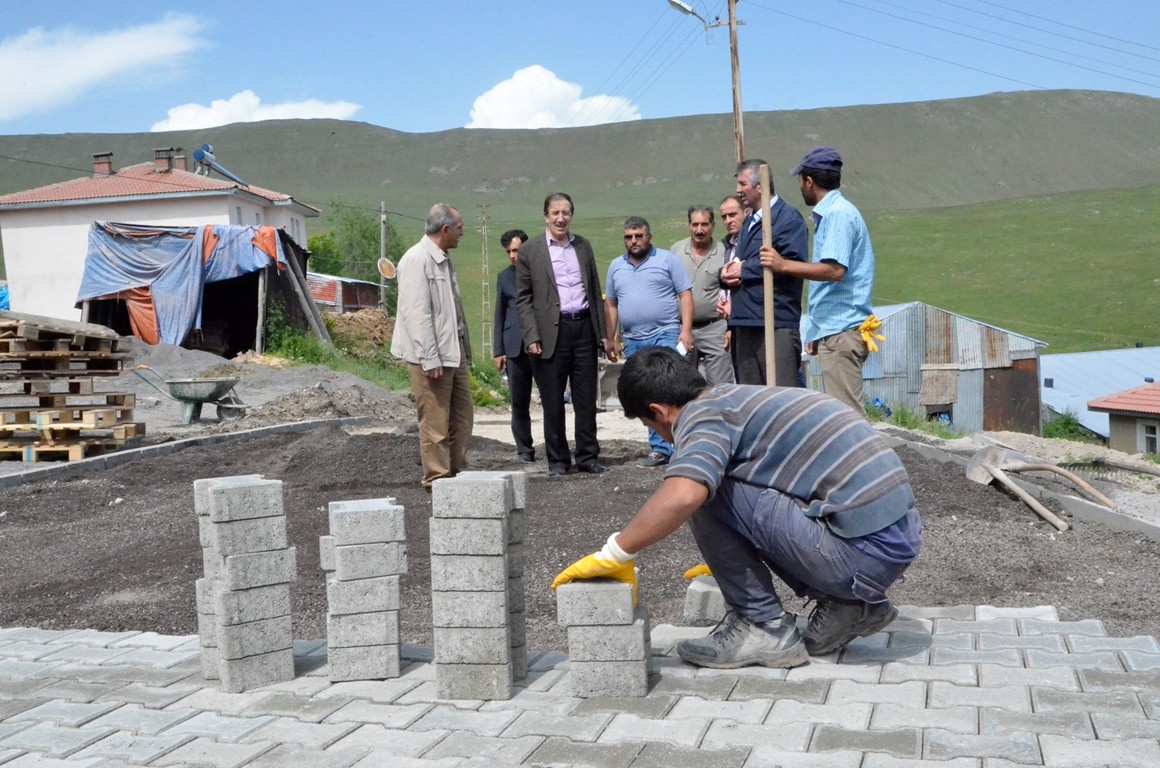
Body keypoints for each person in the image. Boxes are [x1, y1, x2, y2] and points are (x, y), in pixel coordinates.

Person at [551, 347, 921, 669]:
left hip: (861, 552)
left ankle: (763, 626)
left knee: (705, 486)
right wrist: (736, 551)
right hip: (891, 542)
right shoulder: (738, 400)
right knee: (718, 478)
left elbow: (684, 495)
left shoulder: (702, 415)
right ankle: (853, 606)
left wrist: (616, 553)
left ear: (659, 411)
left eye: (652, 426)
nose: (661, 435)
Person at [763, 146, 876, 417]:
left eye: (800, 180)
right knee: (840, 411)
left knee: (847, 415)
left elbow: (834, 271)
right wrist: (816, 331)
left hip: (842, 328)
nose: (800, 186)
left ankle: (857, 459)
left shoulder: (837, 215)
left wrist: (782, 265)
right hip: (834, 328)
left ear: (809, 181)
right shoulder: (833, 214)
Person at [516, 193, 614, 477]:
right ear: (545, 216)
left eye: (566, 212)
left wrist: (604, 334)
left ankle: (587, 456)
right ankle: (558, 461)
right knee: (553, 401)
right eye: (555, 213)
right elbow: (523, 299)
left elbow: (595, 292)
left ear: (572, 215)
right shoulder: (530, 250)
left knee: (586, 399)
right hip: (550, 333)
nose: (561, 218)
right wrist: (531, 335)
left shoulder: (582, 246)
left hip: (582, 328)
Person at [390, 204, 473, 491]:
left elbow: (453, 313)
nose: (463, 233)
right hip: (432, 357)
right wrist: (429, 357)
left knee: (462, 418)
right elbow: (417, 314)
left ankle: (457, 474)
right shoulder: (416, 260)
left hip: (453, 353)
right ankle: (437, 482)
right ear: (446, 229)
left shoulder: (443, 259)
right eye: (460, 227)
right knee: (436, 423)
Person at [606, 216, 694, 468]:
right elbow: (611, 304)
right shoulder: (615, 266)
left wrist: (685, 330)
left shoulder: (667, 260)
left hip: (665, 334)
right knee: (645, 395)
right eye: (628, 236)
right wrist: (610, 338)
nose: (633, 241)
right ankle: (659, 450)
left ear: (649, 237)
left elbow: (684, 294)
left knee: (671, 391)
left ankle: (682, 444)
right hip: (633, 340)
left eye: (639, 235)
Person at [719, 159, 808, 387]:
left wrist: (745, 269)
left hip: (774, 321)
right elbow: (743, 261)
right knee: (751, 398)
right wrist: (728, 275)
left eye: (742, 184)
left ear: (760, 186)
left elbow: (791, 264)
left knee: (781, 395)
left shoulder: (787, 219)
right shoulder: (749, 221)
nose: (738, 190)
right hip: (745, 321)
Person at [671, 205, 734, 387]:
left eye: (704, 224)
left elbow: (733, 291)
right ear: (689, 225)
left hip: (715, 328)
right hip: (683, 329)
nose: (699, 230)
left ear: (713, 226)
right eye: (695, 224)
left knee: (721, 386)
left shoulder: (724, 252)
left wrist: (731, 327)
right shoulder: (676, 250)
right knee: (682, 385)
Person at [492, 228, 535, 462]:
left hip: (539, 346)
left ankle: (555, 447)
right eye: (508, 251)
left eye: (516, 250)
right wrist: (498, 350)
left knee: (551, 400)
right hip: (513, 348)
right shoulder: (504, 277)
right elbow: (499, 315)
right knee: (519, 402)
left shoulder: (540, 273)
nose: (512, 255)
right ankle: (524, 450)